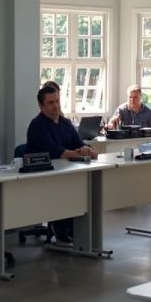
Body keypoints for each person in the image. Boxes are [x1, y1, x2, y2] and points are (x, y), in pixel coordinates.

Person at [26, 84, 96, 244]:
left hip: (65, 173)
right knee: (66, 189)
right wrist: (80, 152)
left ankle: (75, 230)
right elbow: (55, 152)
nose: (55, 106)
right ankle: (63, 232)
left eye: (57, 101)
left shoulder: (65, 123)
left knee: (84, 187)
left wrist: (87, 149)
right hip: (43, 177)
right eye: (50, 103)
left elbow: (78, 143)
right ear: (41, 106)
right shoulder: (37, 125)